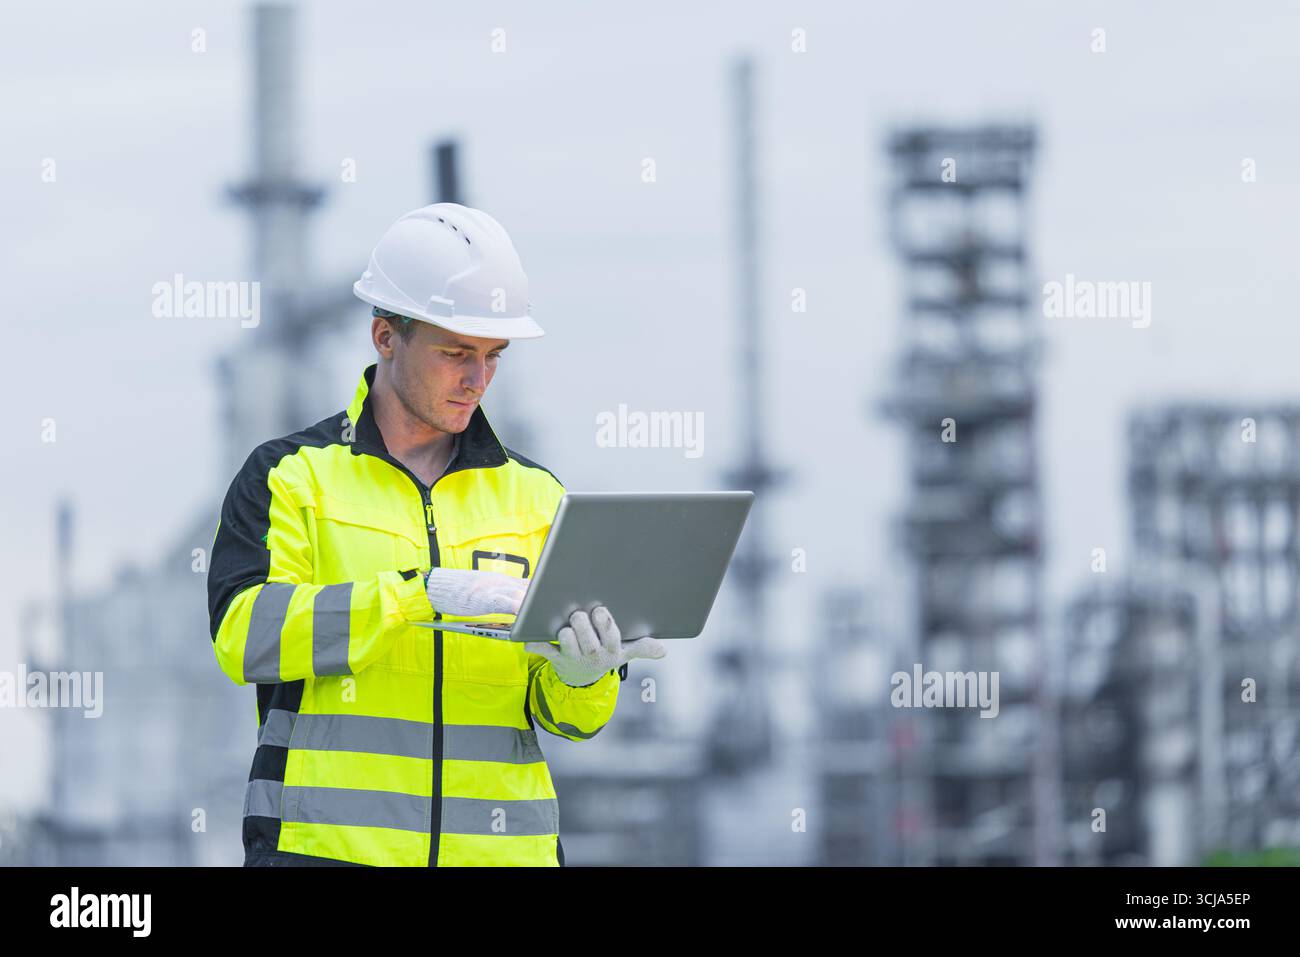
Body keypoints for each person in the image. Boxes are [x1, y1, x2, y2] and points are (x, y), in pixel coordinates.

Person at [206, 203, 665, 866]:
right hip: (329, 853)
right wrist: (417, 594)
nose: (477, 379)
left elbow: (568, 717)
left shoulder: (537, 497)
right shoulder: (291, 476)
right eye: (456, 353)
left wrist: (586, 673)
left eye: (492, 356)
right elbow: (245, 638)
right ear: (385, 336)